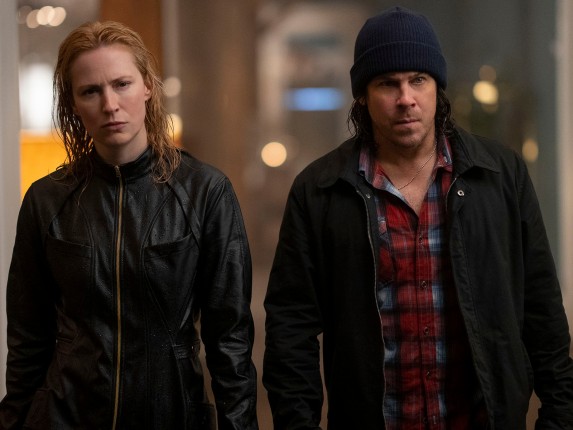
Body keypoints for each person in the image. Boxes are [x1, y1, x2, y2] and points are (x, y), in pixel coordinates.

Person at [263, 6, 573, 429]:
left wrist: (559, 417)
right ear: (363, 95)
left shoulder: (499, 176)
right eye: (387, 83)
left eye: (418, 80)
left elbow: (541, 308)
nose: (405, 98)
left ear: (437, 88)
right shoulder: (321, 190)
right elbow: (290, 328)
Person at [0, 21, 258, 430]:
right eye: (90, 91)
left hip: (170, 415)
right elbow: (28, 339)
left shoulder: (205, 191)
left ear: (147, 87)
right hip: (65, 416)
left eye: (122, 84)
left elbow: (230, 341)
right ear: (73, 103)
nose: (109, 104)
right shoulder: (46, 199)